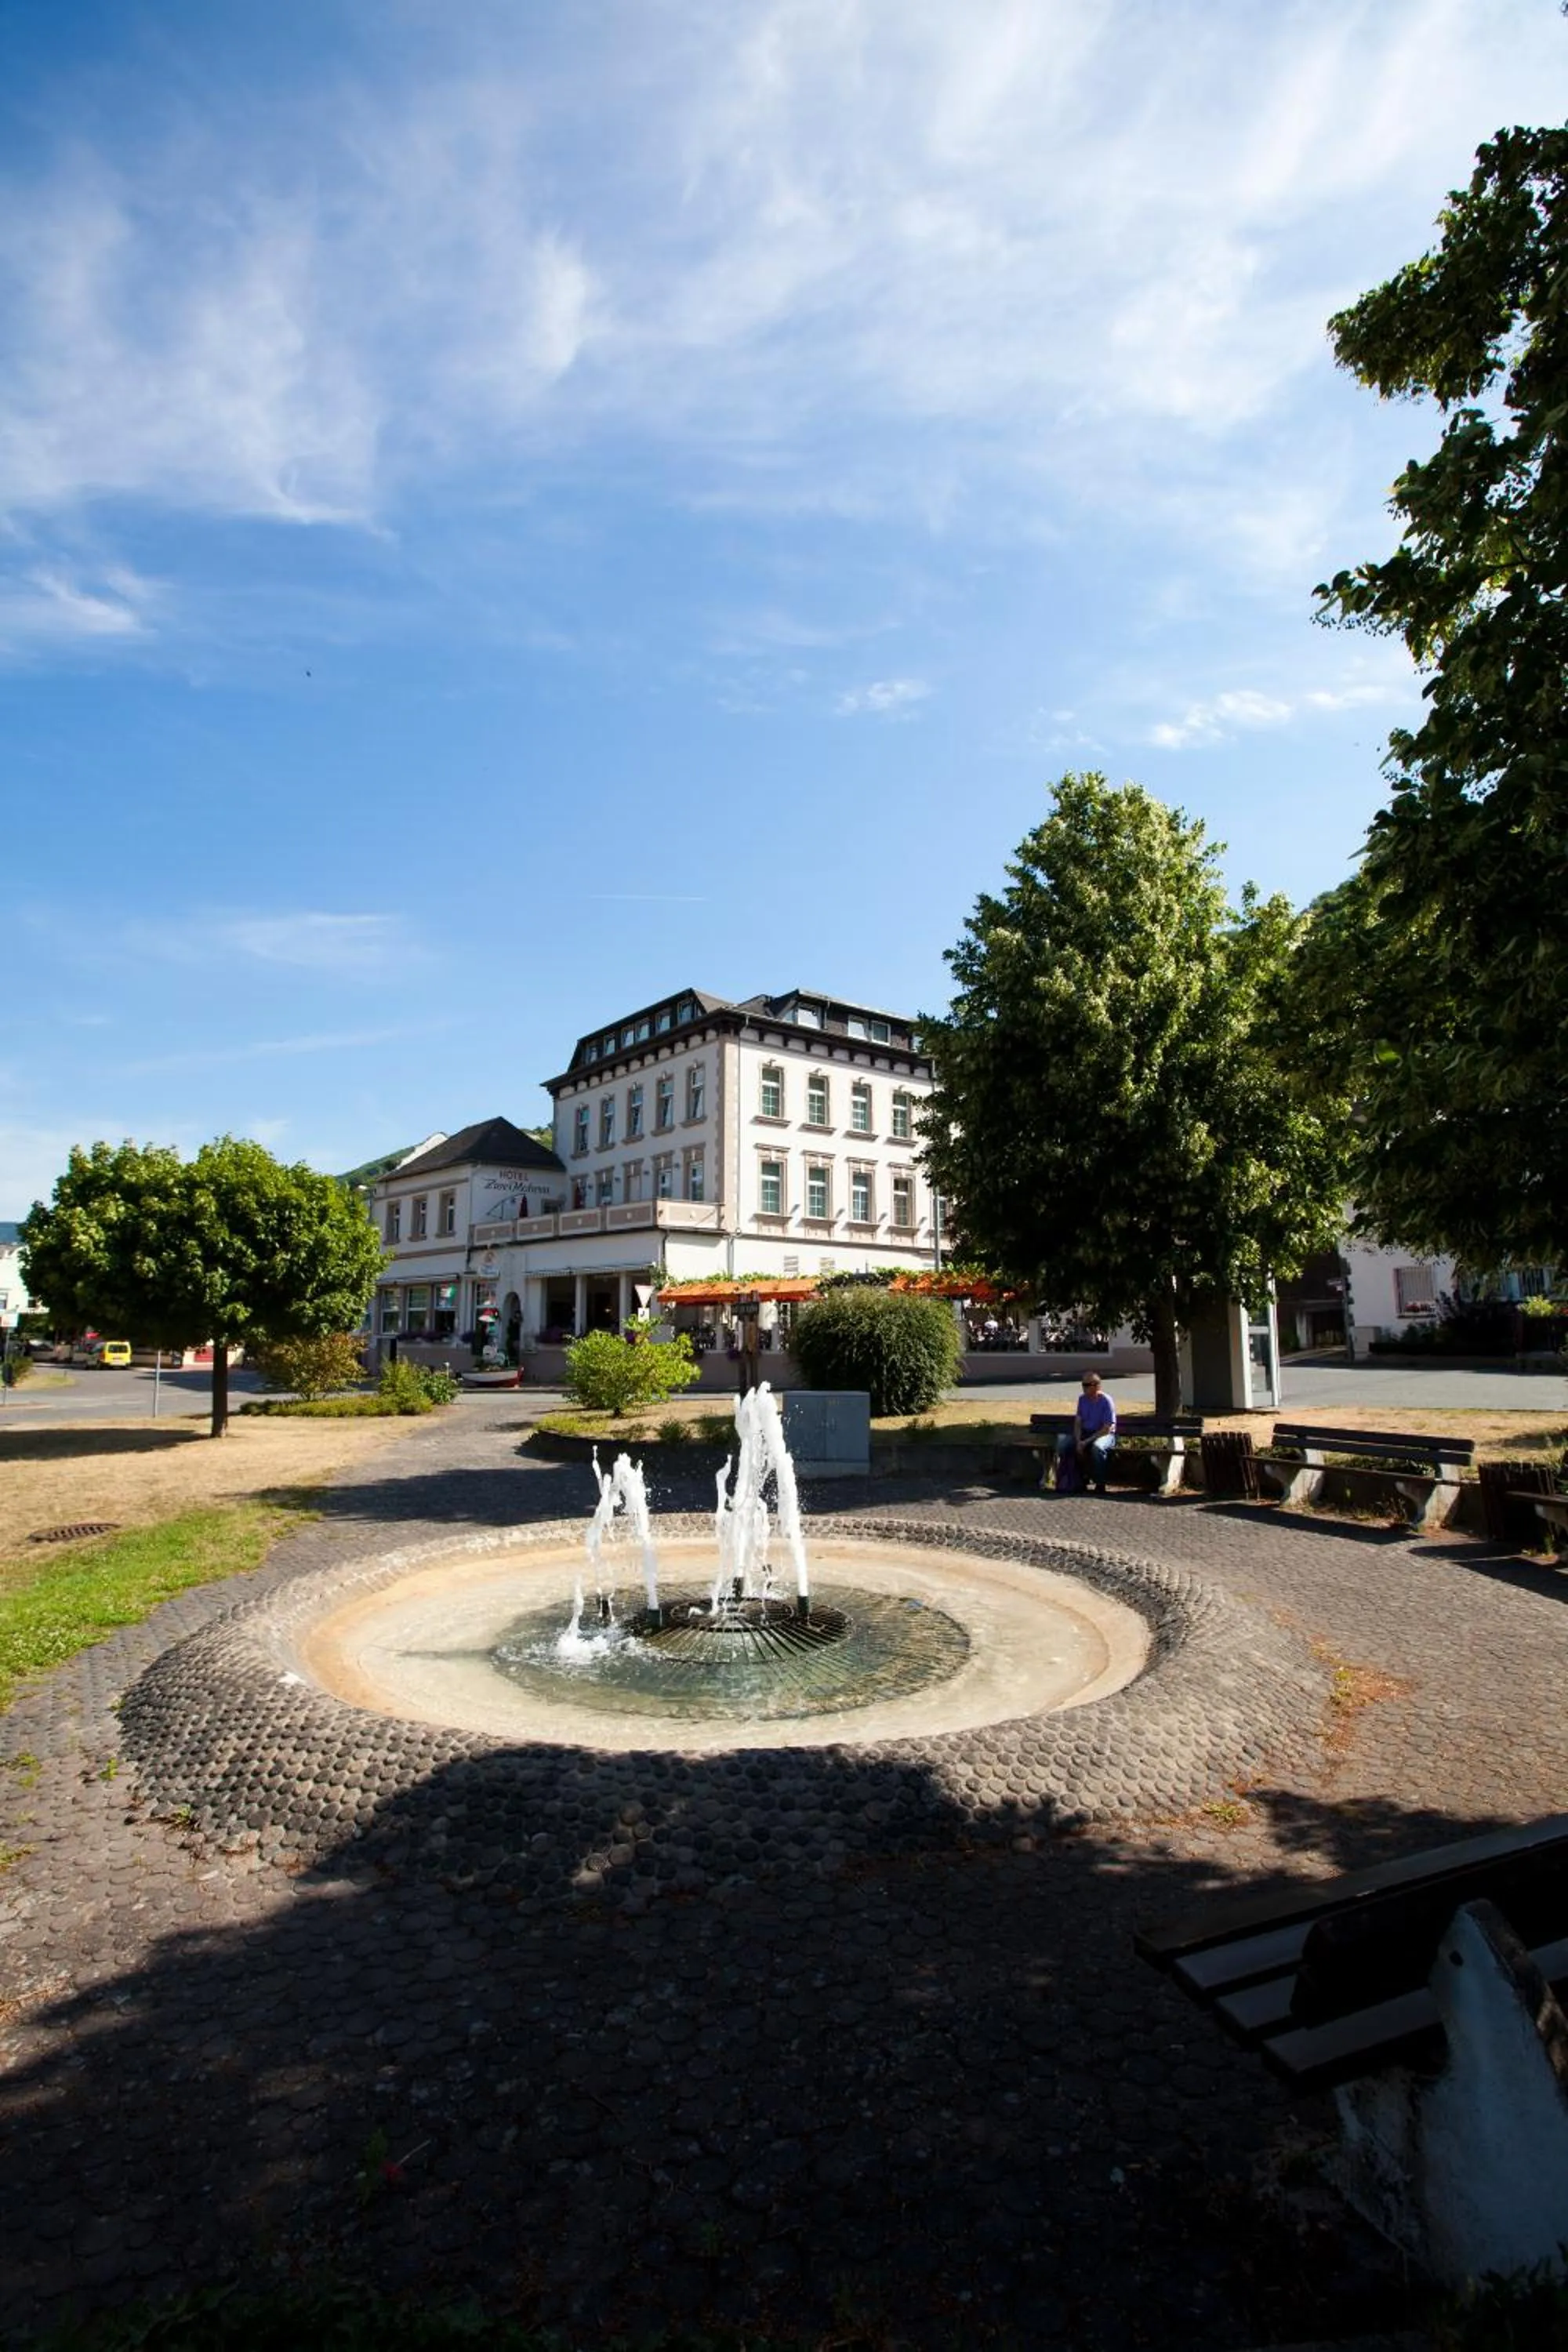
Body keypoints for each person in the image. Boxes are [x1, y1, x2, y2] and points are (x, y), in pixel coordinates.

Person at [1055, 1371, 1116, 1495]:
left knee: (1097, 1448)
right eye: (1083, 1384)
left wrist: (1085, 1442)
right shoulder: (1082, 1399)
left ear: (1097, 1386)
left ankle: (1100, 1483)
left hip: (1104, 1434)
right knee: (1063, 1444)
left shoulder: (1106, 1401)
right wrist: (1078, 1441)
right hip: (1085, 1433)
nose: (1084, 1387)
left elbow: (1107, 1428)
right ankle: (1074, 1478)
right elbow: (1078, 1422)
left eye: (1087, 1385)